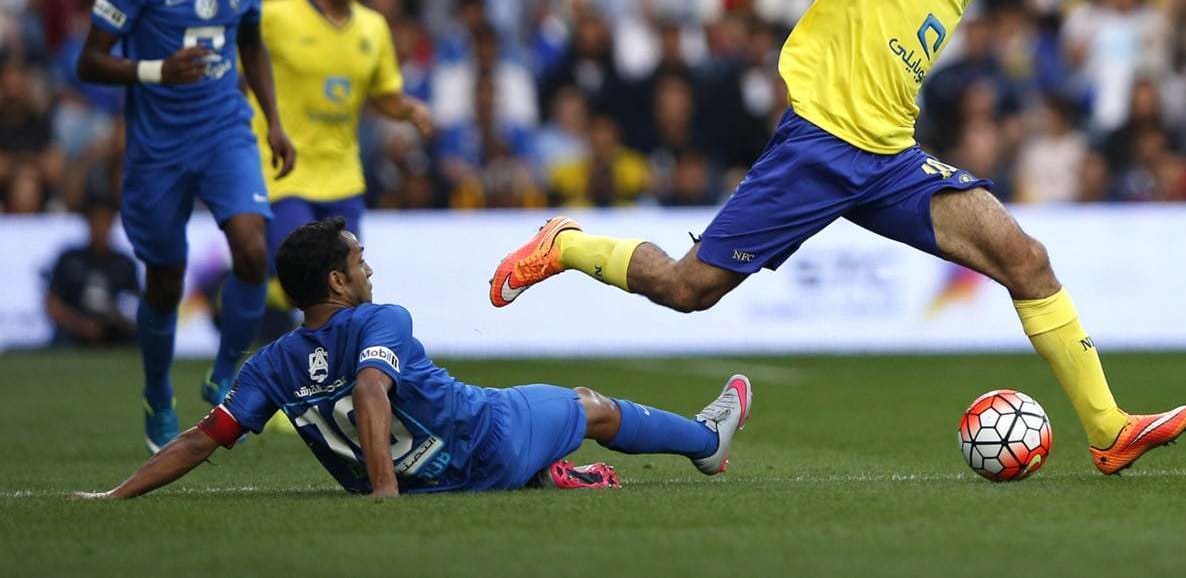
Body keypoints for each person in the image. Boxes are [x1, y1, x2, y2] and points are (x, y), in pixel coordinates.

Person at [491, 0, 1186, 476]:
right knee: (687, 289)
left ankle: (1108, 429)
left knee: (1026, 257)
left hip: (889, 159)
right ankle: (568, 243)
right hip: (819, 146)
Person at [75, 217, 752, 498]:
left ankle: (555, 472)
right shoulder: (381, 318)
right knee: (590, 405)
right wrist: (386, 495)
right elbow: (372, 390)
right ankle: (706, 440)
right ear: (337, 283)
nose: (368, 270)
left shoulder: (269, 365)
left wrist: (117, 492)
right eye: (359, 262)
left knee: (546, 418)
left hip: (435, 478)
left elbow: (202, 437)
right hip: (489, 438)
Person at [76, 0, 296, 452]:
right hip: (158, 148)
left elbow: (250, 41)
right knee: (166, 280)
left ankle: (228, 373)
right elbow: (89, 61)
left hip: (225, 128)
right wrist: (155, 71)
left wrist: (273, 120)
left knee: (253, 248)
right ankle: (157, 393)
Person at [251, 0, 431, 282]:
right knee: (307, 279)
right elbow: (239, 71)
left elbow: (382, 96)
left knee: (345, 283)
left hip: (343, 176)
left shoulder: (373, 27)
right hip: (285, 172)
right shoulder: (274, 17)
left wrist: (410, 109)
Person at [44, 196, 139, 347]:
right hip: (74, 330)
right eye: (96, 220)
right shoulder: (69, 259)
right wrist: (80, 325)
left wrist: (117, 320)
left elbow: (135, 305)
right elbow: (52, 303)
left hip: (114, 331)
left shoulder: (124, 263)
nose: (100, 226)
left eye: (104, 220)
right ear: (88, 222)